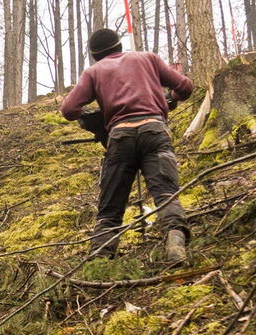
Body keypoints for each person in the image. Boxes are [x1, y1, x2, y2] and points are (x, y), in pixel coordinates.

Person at [60, 28, 194, 262]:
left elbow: (69, 110)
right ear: (120, 46)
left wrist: (98, 115)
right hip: (155, 131)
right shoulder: (148, 58)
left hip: (120, 137)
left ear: (95, 55)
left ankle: (100, 259)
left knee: (110, 208)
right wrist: (170, 99)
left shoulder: (94, 72)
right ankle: (175, 240)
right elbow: (185, 87)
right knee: (166, 193)